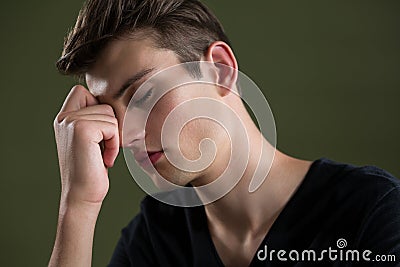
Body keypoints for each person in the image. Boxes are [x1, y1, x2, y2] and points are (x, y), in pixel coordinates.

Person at [48, 0, 400, 266]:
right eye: (111, 112)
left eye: (145, 94)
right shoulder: (155, 240)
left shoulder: (370, 212)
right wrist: (79, 204)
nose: (125, 137)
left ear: (219, 69)